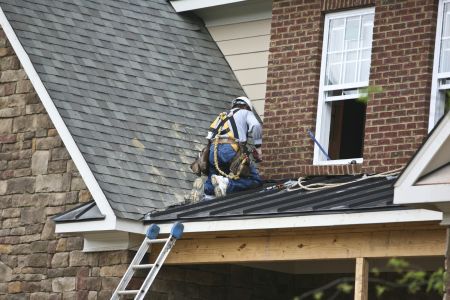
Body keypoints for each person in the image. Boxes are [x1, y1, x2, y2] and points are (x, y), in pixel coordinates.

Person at [202, 96, 263, 199]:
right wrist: (258, 147)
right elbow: (256, 126)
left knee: (213, 180)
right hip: (230, 149)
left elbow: (210, 136)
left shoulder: (222, 116)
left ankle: (205, 190)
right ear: (246, 106)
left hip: (212, 151)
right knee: (255, 179)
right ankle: (227, 183)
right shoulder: (246, 112)